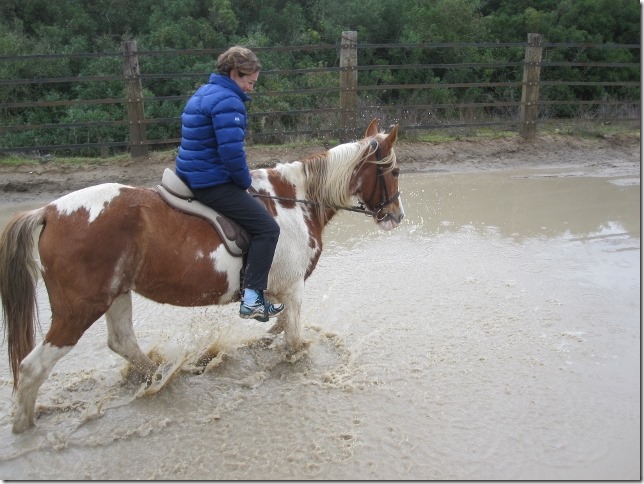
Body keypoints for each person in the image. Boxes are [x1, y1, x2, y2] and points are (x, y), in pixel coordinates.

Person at [175, 46, 283, 322]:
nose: (251, 88)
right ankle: (252, 298)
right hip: (210, 182)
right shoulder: (228, 102)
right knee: (268, 228)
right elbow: (232, 154)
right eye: (250, 82)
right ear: (235, 74)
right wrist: (245, 182)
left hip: (189, 174)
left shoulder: (204, 92)